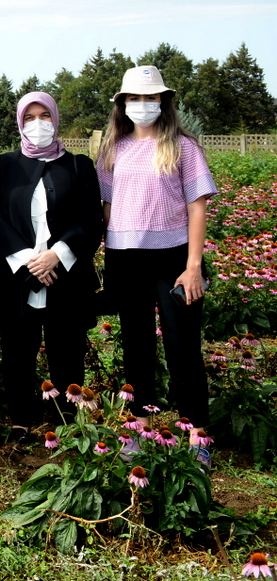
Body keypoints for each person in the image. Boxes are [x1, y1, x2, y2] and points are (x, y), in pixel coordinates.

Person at [97, 65, 216, 430]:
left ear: (163, 102)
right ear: (123, 104)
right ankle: (140, 426)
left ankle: (195, 429)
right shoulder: (112, 149)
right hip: (126, 259)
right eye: (135, 97)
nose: (143, 104)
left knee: (182, 346)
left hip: (174, 259)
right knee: (136, 346)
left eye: (150, 98)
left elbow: (197, 206)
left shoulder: (183, 146)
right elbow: (107, 208)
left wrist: (193, 266)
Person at [0, 92, 102, 444]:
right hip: (19, 276)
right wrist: (27, 260)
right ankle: (20, 420)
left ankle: (67, 425)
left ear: (56, 118)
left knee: (66, 349)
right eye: (30, 117)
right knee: (18, 352)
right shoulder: (6, 166)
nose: (38, 124)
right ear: (20, 123)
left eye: (45, 116)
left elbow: (91, 218)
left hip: (65, 275)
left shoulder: (79, 165)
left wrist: (58, 254)